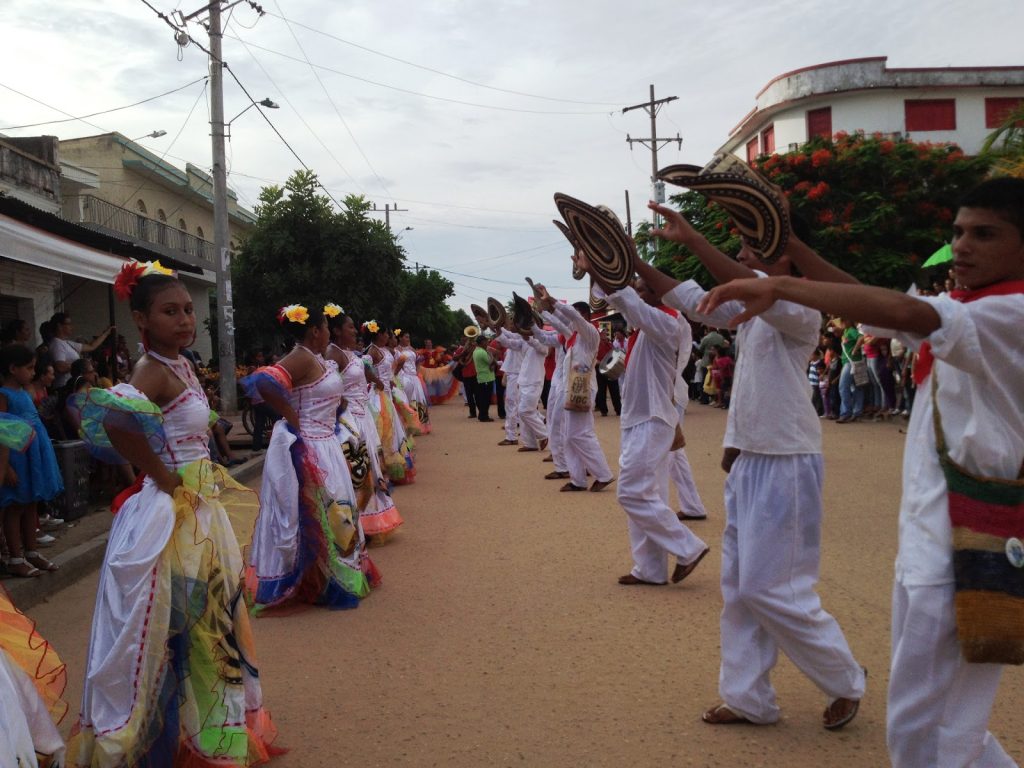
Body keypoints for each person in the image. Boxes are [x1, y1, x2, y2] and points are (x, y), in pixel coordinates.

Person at [697, 177, 1024, 767]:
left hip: (969, 538)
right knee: (943, 726)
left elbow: (899, 309)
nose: (962, 246)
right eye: (958, 232)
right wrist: (790, 245)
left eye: (984, 234)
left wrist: (780, 278)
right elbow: (872, 299)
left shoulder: (1011, 312)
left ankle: (838, 681)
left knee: (925, 730)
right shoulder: (969, 310)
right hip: (936, 537)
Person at [646, 200, 865, 730]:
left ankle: (844, 679)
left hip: (787, 460)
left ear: (784, 256)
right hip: (752, 460)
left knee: (773, 588)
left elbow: (744, 287)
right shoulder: (753, 311)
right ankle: (749, 699)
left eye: (752, 246)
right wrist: (629, 263)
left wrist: (696, 241)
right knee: (740, 587)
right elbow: (695, 299)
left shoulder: (800, 307)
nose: (741, 255)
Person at [69, 261, 281, 766]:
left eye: (187, 310)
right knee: (175, 617)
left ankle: (203, 725)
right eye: (170, 311)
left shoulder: (179, 363)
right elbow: (116, 423)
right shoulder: (150, 370)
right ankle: (164, 735)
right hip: (170, 512)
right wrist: (164, 479)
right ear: (141, 319)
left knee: (206, 613)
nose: (184, 319)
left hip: (197, 506)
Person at [575, 260, 709, 586]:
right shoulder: (649, 324)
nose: (637, 293)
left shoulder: (668, 321)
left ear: (661, 292)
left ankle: (688, 547)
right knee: (650, 496)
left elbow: (628, 303)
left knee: (632, 493)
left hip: (652, 419)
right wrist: (594, 269)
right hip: (640, 419)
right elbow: (619, 301)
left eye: (644, 288)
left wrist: (597, 267)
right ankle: (649, 569)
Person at [244, 303, 370, 611]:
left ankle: (330, 574)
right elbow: (264, 381)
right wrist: (292, 417)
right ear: (315, 331)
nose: (328, 331)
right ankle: (319, 579)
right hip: (311, 446)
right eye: (325, 326)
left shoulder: (316, 358)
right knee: (318, 512)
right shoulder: (301, 356)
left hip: (326, 443)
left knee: (333, 509)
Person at [326, 310, 402, 546]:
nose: (354, 331)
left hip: (362, 415)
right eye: (349, 327)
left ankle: (367, 524)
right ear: (336, 330)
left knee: (370, 467)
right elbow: (329, 388)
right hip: (348, 421)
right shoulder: (332, 354)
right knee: (358, 471)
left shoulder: (349, 353)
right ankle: (353, 526)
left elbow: (365, 376)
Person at [533, 288, 614, 493]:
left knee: (580, 434)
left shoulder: (590, 332)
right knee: (569, 435)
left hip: (582, 388)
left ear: (583, 316)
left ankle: (604, 474)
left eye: (575, 315)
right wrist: (543, 311)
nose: (569, 319)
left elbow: (570, 317)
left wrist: (552, 301)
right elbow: (560, 322)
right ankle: (578, 480)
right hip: (574, 387)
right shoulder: (574, 336)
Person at [0, 345, 63, 577]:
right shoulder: (4, 394)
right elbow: (1, 431)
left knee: (30, 504)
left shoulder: (24, 392)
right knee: (16, 505)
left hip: (33, 455)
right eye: (29, 368)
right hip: (16, 457)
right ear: (12, 368)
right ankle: (16, 557)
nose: (33, 373)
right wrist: (6, 467)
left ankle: (32, 551)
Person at [47, 312, 114, 389]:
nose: (71, 327)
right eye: (69, 324)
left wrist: (106, 333)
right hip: (65, 386)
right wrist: (83, 367)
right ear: (59, 326)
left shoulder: (67, 342)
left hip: (75, 385)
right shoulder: (57, 344)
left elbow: (91, 346)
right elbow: (60, 367)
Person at [394, 330, 431, 434]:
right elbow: (396, 364)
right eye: (406, 337)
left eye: (408, 337)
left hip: (414, 377)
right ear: (400, 338)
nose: (408, 339)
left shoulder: (411, 349)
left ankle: (421, 425)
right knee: (409, 400)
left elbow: (418, 361)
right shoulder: (396, 350)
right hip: (404, 378)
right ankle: (410, 426)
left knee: (419, 399)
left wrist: (417, 372)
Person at [471, 332, 497, 422]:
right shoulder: (482, 352)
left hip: (482, 377)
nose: (487, 343)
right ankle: (484, 416)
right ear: (482, 342)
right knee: (486, 398)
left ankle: (482, 415)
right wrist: (490, 353)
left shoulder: (476, 351)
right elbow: (491, 361)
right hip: (486, 377)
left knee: (483, 397)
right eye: (486, 341)